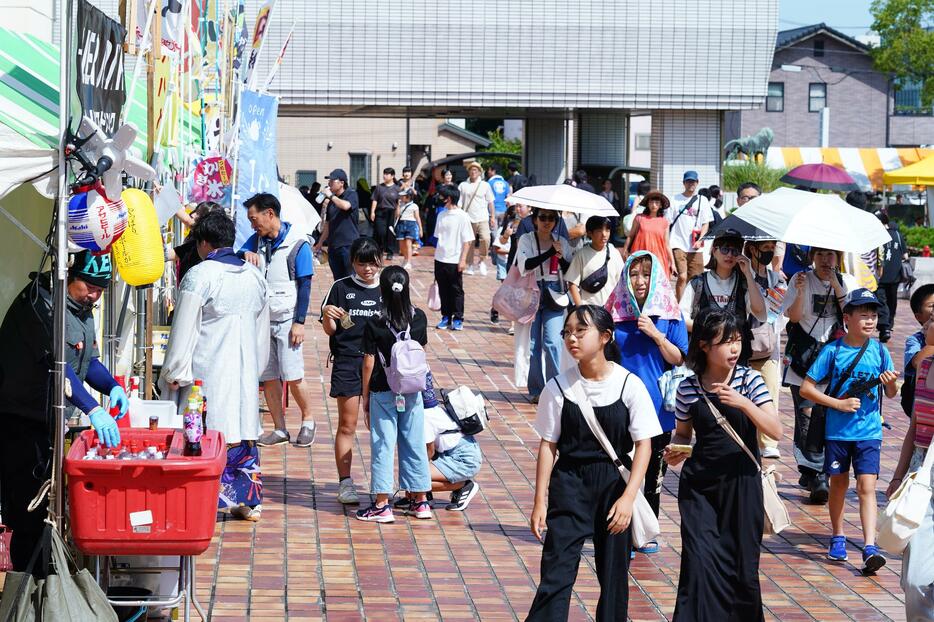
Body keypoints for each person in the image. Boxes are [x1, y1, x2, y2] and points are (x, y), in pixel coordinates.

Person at [527, 305, 659, 621]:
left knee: (614, 577)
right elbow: (548, 445)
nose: (572, 338)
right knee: (556, 572)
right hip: (569, 482)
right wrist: (539, 501)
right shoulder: (557, 388)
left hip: (613, 486)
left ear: (604, 337)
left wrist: (628, 498)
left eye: (580, 331)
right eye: (567, 332)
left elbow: (644, 446)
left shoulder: (629, 385)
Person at [0, 251, 127, 572]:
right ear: (69, 278)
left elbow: (88, 360)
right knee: (30, 514)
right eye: (89, 286)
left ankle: (47, 578)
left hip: (51, 422)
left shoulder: (82, 309)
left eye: (101, 289)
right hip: (21, 422)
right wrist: (94, 409)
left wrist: (111, 385)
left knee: (50, 511)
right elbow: (61, 370)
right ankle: (29, 590)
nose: (95, 294)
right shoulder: (39, 308)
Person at [666, 309, 781, 621]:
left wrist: (743, 402)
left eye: (738, 341)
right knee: (699, 563)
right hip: (700, 487)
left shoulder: (750, 380)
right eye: (727, 342)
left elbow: (775, 429)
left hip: (742, 485)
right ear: (704, 345)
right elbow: (684, 434)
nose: (735, 348)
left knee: (743, 568)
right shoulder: (688, 388)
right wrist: (677, 450)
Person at [160, 211, 269, 521]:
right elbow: (263, 331)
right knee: (241, 428)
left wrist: (174, 371)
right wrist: (256, 368)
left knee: (206, 430)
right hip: (245, 369)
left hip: (206, 370)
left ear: (204, 243)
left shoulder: (200, 275)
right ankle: (247, 499)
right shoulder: (254, 275)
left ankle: (203, 498)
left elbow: (183, 328)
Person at [799, 288, 897, 572]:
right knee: (839, 484)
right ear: (847, 318)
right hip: (838, 433)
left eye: (874, 316)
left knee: (867, 487)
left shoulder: (880, 351)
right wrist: (837, 405)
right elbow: (807, 388)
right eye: (863, 316)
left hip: (869, 433)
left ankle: (869, 546)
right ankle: (838, 536)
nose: (870, 321)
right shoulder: (834, 350)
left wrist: (890, 382)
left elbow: (890, 393)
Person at [606, 251, 688, 547]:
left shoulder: (668, 311)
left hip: (657, 407)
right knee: (621, 468)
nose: (640, 281)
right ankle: (619, 530)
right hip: (620, 404)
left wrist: (656, 335)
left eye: (646, 274)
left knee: (652, 473)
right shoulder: (613, 310)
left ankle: (646, 531)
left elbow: (679, 357)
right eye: (634, 274)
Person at [240, 193, 317, 448]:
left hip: (287, 318)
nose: (253, 225)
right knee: (270, 375)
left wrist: (300, 322)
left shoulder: (298, 244)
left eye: (254, 219)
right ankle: (280, 428)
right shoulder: (258, 241)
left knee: (292, 374)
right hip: (263, 320)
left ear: (269, 213)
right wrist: (245, 255)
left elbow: (305, 284)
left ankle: (308, 420)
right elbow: (240, 252)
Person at [782, 247, 859, 503]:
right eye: (820, 255)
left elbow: (852, 318)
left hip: (835, 360)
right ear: (812, 257)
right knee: (805, 414)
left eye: (831, 255)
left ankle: (816, 469)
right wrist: (801, 291)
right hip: (804, 357)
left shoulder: (847, 282)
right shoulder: (800, 279)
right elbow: (792, 316)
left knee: (826, 416)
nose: (825, 260)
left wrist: (837, 285)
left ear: (838, 257)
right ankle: (816, 475)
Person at [356, 266, 432, 522]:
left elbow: (368, 362)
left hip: (383, 389)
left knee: (383, 445)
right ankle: (420, 501)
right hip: (412, 391)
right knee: (414, 443)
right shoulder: (419, 317)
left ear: (383, 290)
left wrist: (365, 398)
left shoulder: (376, 321)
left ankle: (381, 504)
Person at [320, 237, 383, 505]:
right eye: (361, 263)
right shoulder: (340, 287)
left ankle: (383, 484)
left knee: (384, 427)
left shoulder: (390, 286)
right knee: (348, 425)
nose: (368, 269)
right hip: (348, 361)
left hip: (382, 365)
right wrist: (327, 316)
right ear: (353, 262)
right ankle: (345, 483)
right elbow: (331, 331)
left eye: (372, 263)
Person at [888, 350, 934, 619]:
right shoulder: (925, 367)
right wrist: (898, 475)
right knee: (914, 580)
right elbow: (914, 427)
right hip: (922, 477)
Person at [679, 229, 767, 364]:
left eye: (735, 251)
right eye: (725, 249)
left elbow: (760, 311)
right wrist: (713, 331)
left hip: (736, 359)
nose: (730, 255)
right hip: (704, 358)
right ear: (714, 251)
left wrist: (748, 274)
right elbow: (681, 319)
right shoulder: (698, 283)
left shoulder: (744, 284)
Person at [517, 208, 573, 401]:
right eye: (542, 217)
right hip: (531, 292)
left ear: (556, 222)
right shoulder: (526, 239)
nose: (546, 222)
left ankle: (555, 387)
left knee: (552, 343)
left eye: (551, 218)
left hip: (554, 291)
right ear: (534, 220)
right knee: (533, 345)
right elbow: (526, 265)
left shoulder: (562, 242)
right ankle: (536, 390)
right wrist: (549, 252)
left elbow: (570, 270)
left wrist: (560, 256)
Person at [745, 237, 787, 459]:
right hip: (743, 347)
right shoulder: (741, 276)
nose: (770, 252)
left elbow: (774, 313)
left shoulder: (776, 279)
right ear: (752, 249)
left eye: (773, 248)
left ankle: (768, 442)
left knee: (769, 393)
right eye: (766, 248)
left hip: (768, 346)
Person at [422, 372, 482, 511]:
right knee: (415, 477)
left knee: (416, 478)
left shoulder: (425, 417)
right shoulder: (432, 409)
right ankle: (424, 494)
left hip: (465, 460)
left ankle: (464, 485)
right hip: (458, 453)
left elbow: (428, 452)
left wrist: (414, 487)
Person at [433, 185, 474, 331]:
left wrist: (462, 260)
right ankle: (446, 317)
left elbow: (467, 241)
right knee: (443, 289)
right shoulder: (441, 215)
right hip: (440, 258)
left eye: (441, 196)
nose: (439, 198)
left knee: (456, 290)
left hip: (455, 260)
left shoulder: (462, 216)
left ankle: (458, 318)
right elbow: (438, 237)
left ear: (449, 198)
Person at [667, 170, 714, 299]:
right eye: (688, 181)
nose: (690, 184)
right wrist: (667, 244)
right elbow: (667, 222)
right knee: (682, 276)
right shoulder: (675, 199)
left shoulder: (702, 200)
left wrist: (701, 239)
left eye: (693, 181)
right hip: (677, 243)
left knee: (696, 279)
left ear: (697, 183)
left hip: (695, 246)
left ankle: (693, 305)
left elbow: (706, 223)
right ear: (683, 183)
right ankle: (679, 305)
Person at [566, 216, 625, 307]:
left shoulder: (614, 253)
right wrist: (581, 308)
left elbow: (622, 279)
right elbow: (572, 283)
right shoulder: (581, 255)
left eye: (607, 230)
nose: (604, 234)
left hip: (612, 309)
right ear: (590, 233)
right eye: (599, 231)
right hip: (589, 309)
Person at [315, 168, 360, 281]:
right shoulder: (331, 202)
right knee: (338, 279)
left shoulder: (351, 194)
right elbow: (328, 225)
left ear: (341, 183)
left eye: (332, 181)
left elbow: (345, 206)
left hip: (348, 245)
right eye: (329, 181)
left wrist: (330, 196)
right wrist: (320, 243)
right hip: (334, 246)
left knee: (351, 277)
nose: (329, 184)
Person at [166, 200, 224, 283]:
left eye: (198, 213)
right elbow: (177, 253)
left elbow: (187, 220)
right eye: (195, 211)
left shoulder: (207, 241)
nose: (192, 214)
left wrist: (165, 195)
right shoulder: (196, 241)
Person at [624, 190, 676, 277]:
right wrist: (625, 251)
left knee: (657, 286)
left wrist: (672, 263)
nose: (654, 205)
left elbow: (667, 244)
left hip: (658, 259)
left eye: (657, 202)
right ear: (647, 204)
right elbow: (630, 236)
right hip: (640, 256)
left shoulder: (664, 222)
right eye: (651, 202)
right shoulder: (639, 218)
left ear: (660, 205)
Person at [458, 161, 496, 276]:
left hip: (483, 217)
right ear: (468, 172)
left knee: (486, 238)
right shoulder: (463, 185)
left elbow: (490, 202)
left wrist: (492, 216)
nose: (473, 172)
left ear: (480, 172)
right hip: (467, 217)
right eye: (471, 169)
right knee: (469, 242)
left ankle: (482, 261)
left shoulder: (485, 185)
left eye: (476, 170)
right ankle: (470, 264)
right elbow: (459, 202)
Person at [901, 284, 934, 417]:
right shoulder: (915, 340)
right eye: (932, 306)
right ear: (918, 316)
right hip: (922, 404)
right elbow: (917, 363)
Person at [875, 213, 908, 343]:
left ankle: (884, 328)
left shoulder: (876, 236)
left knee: (881, 301)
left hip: (880, 276)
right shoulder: (898, 235)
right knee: (892, 301)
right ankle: (888, 325)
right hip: (895, 276)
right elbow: (905, 255)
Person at [490, 204, 520, 324]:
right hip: (504, 263)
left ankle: (496, 309)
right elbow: (497, 247)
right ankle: (496, 308)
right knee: (507, 291)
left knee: (511, 291)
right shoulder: (505, 229)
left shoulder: (527, 225)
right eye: (513, 216)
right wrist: (507, 236)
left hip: (516, 262)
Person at [370, 167, 400, 260]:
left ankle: (390, 252)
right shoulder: (379, 187)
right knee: (380, 232)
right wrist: (372, 212)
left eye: (387, 174)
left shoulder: (397, 188)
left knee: (390, 233)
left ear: (392, 176)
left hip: (391, 212)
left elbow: (399, 202)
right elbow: (375, 200)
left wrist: (398, 210)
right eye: (384, 173)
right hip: (380, 212)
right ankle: (380, 250)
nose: (384, 176)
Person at [395, 187, 422, 270]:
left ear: (409, 196)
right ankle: (405, 259)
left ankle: (409, 262)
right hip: (401, 224)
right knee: (401, 246)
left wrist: (420, 229)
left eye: (404, 196)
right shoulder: (401, 205)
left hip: (411, 224)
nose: (401, 197)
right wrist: (398, 205)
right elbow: (397, 215)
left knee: (408, 244)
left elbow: (417, 217)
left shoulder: (414, 206)